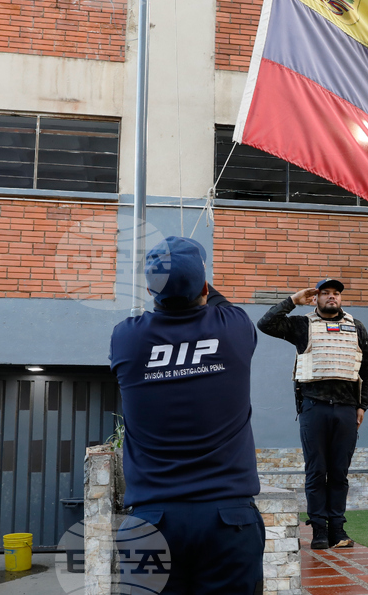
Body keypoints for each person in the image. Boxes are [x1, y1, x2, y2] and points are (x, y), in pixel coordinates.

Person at [109, 237, 263, 594]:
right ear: (205, 285)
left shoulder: (126, 340)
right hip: (228, 523)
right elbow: (218, 301)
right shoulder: (235, 329)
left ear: (150, 289)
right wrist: (196, 277)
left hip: (152, 522)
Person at [257, 278, 368, 550]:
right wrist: (293, 301)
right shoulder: (302, 325)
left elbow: (367, 369)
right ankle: (319, 530)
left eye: (336, 293)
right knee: (315, 471)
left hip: (346, 409)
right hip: (313, 406)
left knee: (339, 473)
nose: (332, 297)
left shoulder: (357, 327)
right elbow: (265, 324)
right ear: (316, 298)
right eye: (325, 293)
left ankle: (338, 530)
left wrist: (362, 406)